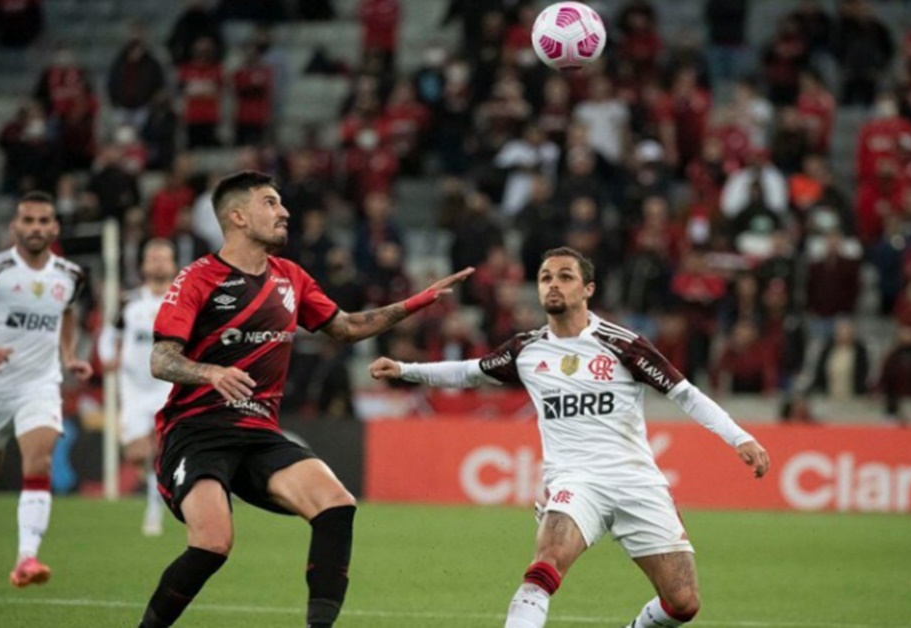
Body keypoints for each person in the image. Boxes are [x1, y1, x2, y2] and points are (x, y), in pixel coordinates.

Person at [369, 246, 770, 628]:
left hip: (637, 482)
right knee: (545, 565)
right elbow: (470, 372)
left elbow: (685, 394)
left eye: (565, 276)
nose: (553, 284)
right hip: (575, 483)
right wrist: (405, 370)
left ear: (588, 289)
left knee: (683, 603)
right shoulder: (526, 350)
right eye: (545, 278)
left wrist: (739, 438)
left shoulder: (622, 345)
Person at [137, 171, 472, 628]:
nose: (284, 212)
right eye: (271, 203)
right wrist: (210, 372)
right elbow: (161, 358)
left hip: (258, 433)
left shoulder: (290, 277)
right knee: (213, 544)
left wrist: (415, 303)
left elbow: (347, 328)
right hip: (197, 432)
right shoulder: (198, 278)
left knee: (336, 505)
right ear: (237, 216)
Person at [0, 191, 93, 587]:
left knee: (40, 461)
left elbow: (67, 316)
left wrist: (68, 354)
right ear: (14, 226)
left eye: (44, 221)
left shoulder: (70, 275)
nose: (36, 228)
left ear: (55, 227)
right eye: (28, 221)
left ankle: (26, 558)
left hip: (40, 383)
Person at [98, 239, 178, 537]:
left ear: (173, 265)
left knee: (160, 447)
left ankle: (154, 508)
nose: (157, 262)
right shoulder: (129, 302)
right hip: (133, 388)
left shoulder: (182, 300)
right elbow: (108, 336)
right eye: (152, 257)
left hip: (168, 387)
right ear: (143, 265)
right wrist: (108, 358)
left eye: (163, 257)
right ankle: (156, 492)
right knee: (135, 455)